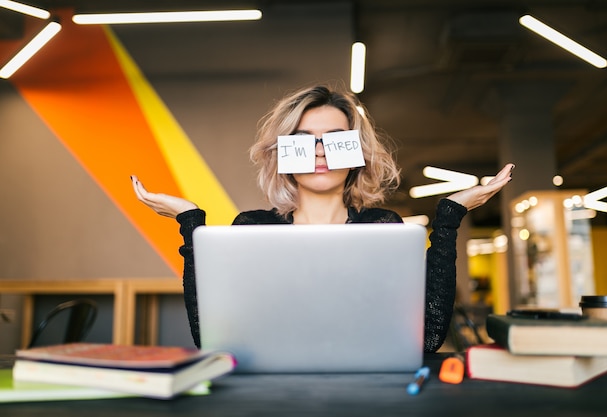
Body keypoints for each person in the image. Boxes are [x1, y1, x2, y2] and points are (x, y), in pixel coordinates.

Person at [131, 84, 514, 353]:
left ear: (356, 152)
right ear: (283, 152)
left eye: (333, 139)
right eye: (304, 139)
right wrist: (190, 222)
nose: (319, 152)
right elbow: (209, 337)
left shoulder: (382, 228)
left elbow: (428, 339)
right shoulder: (252, 228)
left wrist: (449, 216)